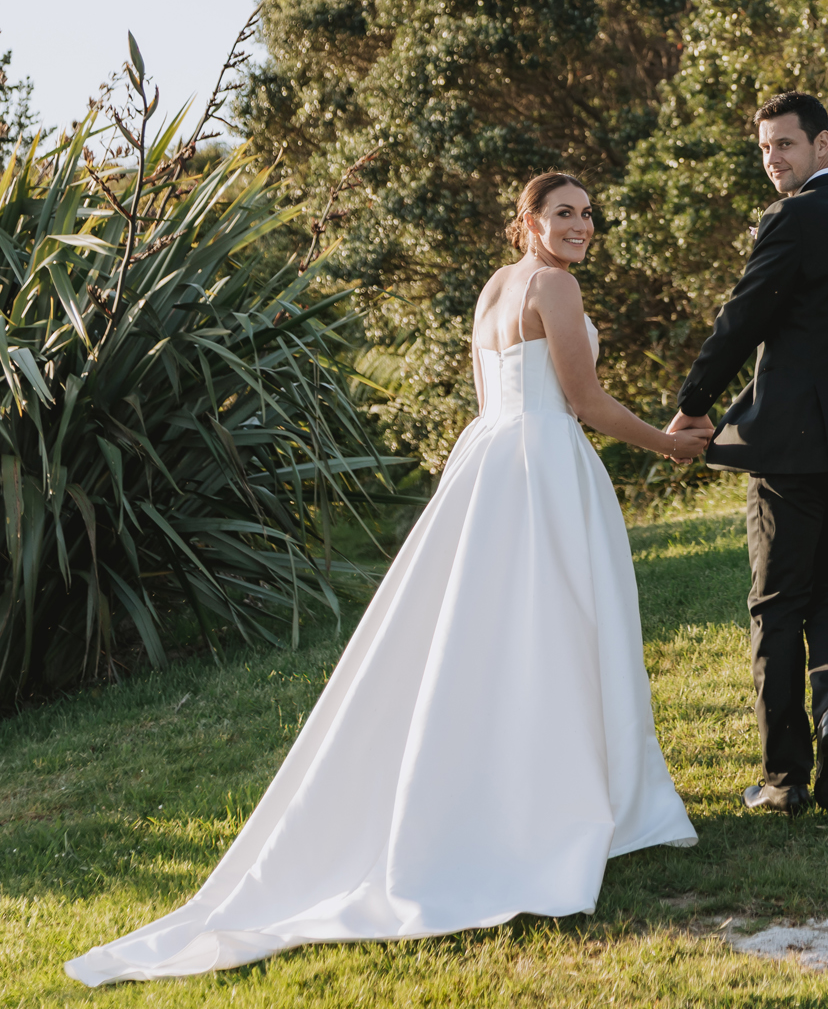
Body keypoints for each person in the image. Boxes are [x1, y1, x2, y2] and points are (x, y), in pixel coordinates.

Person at [66, 172, 707, 986]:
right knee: (564, 629)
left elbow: (488, 400)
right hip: (544, 466)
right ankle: (567, 805)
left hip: (489, 465)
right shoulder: (555, 284)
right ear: (530, 221)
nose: (581, 225)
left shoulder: (495, 288)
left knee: (493, 635)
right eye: (564, 213)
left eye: (587, 213)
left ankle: (527, 791)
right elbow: (583, 402)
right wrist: (670, 444)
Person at [669, 92, 828, 817]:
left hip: (795, 455)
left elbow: (743, 317)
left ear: (823, 143)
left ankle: (785, 777)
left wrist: (694, 404)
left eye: (785, 144)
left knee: (779, 605)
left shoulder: (793, 219)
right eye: (764, 148)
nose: (773, 160)